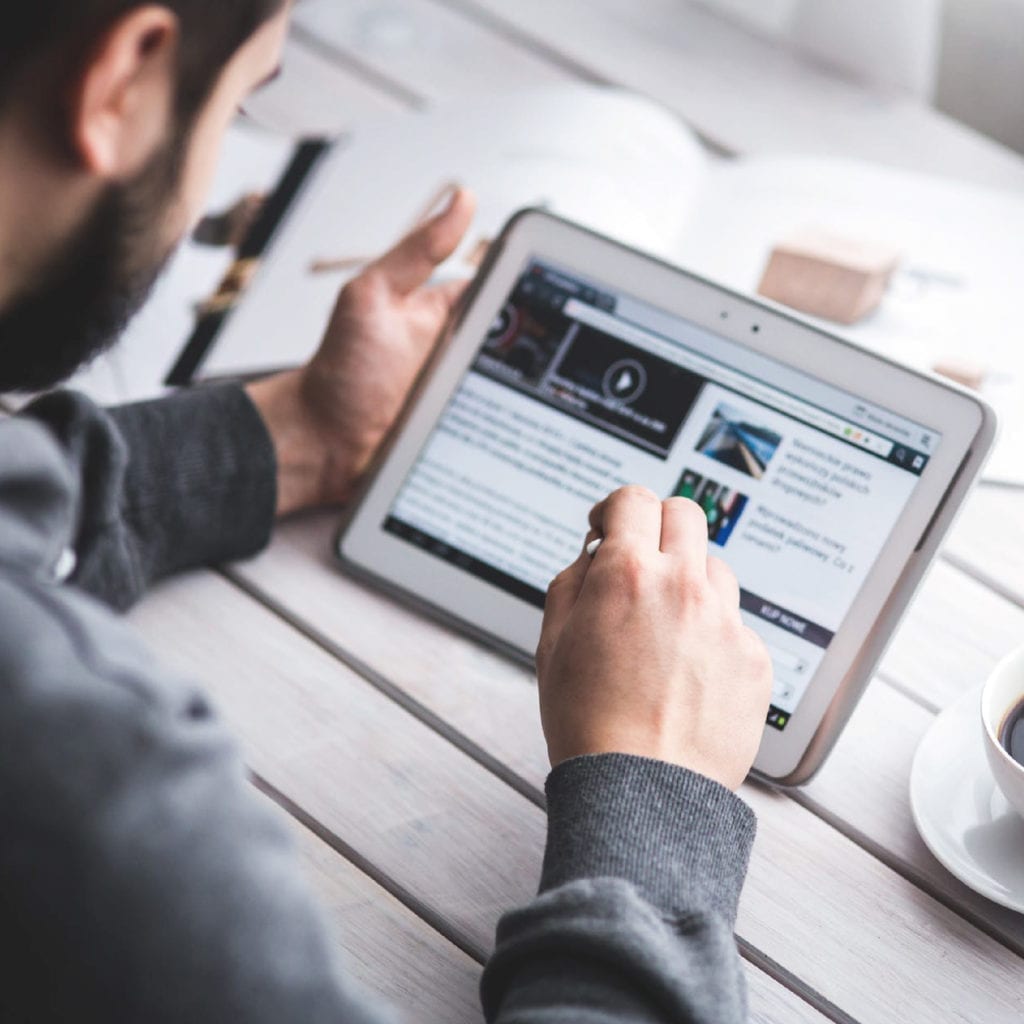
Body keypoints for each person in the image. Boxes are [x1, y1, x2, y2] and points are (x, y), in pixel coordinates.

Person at [0, 2, 773, 1021]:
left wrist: (297, 435)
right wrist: (652, 793)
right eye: (235, 110)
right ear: (122, 83)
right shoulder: (86, 787)